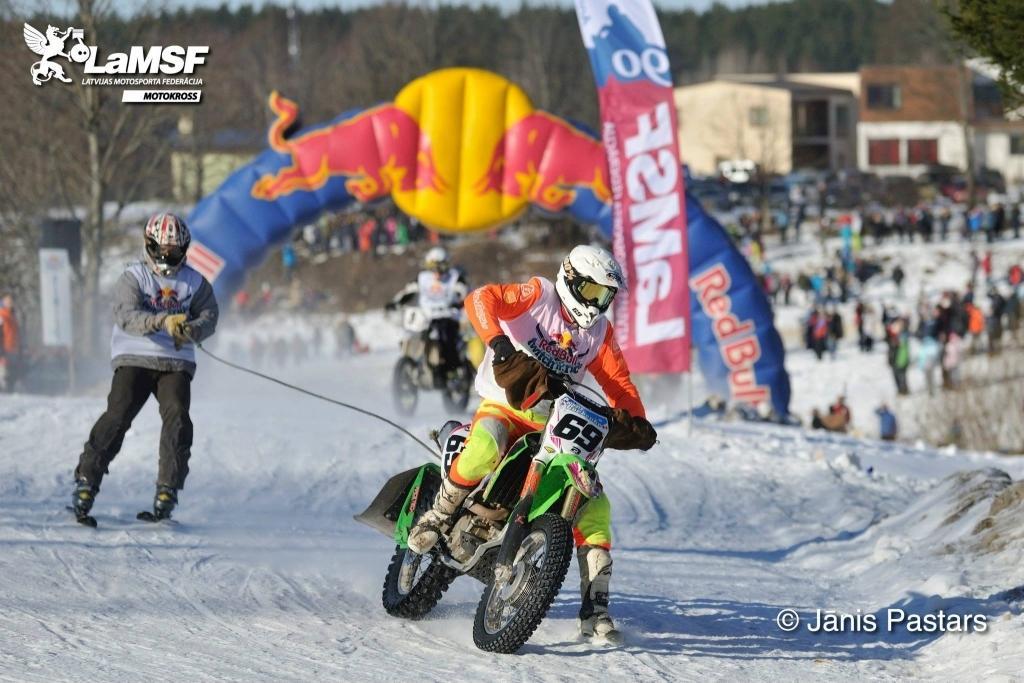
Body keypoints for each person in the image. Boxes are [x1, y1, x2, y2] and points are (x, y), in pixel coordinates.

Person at [406, 245, 657, 644]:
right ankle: (438, 515)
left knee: (594, 504)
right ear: (571, 279)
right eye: (593, 292)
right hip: (506, 406)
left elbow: (619, 383)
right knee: (486, 447)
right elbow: (480, 299)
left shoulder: (599, 333)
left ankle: (595, 609)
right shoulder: (539, 296)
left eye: (605, 297)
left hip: (556, 423)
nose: (597, 304)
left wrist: (637, 422)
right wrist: (498, 342)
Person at [71, 213, 218, 523]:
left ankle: (168, 488)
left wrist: (192, 329)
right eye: (163, 251)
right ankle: (87, 478)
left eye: (174, 252)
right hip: (134, 355)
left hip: (175, 360)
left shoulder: (194, 282)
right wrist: (162, 322)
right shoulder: (134, 277)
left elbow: (209, 314)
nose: (168, 257)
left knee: (177, 415)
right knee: (119, 413)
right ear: (150, 246)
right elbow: (126, 315)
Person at [386, 246, 467, 378]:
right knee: (412, 332)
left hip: (448, 316)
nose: (437, 272)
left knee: (446, 337)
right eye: (433, 268)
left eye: (441, 267)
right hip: (427, 316)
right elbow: (409, 291)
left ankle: (451, 368)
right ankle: (413, 363)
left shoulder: (454, 277)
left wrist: (457, 301)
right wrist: (397, 302)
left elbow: (461, 291)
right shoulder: (422, 278)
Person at [0, 294, 21, 392]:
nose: (10, 303)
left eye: (11, 301)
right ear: (3, 302)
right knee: (3, 372)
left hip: (13, 349)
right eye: (8, 301)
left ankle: (9, 389)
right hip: (4, 348)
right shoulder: (1, 315)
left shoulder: (13, 316)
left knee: (12, 372)